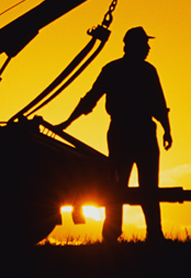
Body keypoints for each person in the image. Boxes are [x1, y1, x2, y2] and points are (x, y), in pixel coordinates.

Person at [54, 26, 172, 242]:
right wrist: (166, 129)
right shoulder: (142, 71)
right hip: (135, 132)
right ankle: (143, 233)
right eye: (144, 44)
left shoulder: (118, 70)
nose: (148, 48)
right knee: (134, 186)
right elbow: (158, 103)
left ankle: (121, 233)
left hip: (128, 132)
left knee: (122, 186)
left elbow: (157, 103)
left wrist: (167, 129)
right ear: (132, 46)